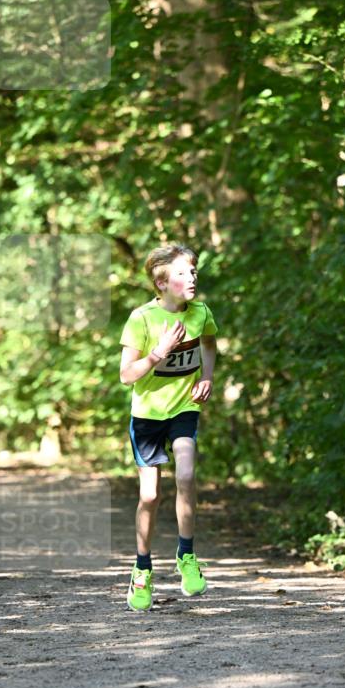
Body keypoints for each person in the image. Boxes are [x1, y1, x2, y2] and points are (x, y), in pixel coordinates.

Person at [119, 243, 218, 611]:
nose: (192, 277)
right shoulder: (141, 319)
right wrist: (158, 353)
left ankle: (186, 556)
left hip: (183, 407)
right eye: (182, 273)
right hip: (147, 415)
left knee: (187, 474)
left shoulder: (201, 313)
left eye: (193, 271)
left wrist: (207, 377)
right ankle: (142, 568)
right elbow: (126, 375)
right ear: (162, 282)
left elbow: (209, 343)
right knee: (149, 495)